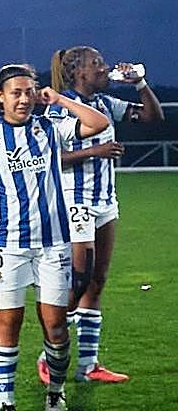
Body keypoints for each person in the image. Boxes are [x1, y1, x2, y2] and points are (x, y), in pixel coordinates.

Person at [0, 63, 111, 411]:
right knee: (8, 321)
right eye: (15, 93)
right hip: (7, 244)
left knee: (55, 326)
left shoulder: (51, 127)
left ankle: (55, 392)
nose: (23, 99)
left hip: (54, 244)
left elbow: (100, 124)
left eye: (28, 92)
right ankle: (5, 403)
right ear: (0, 97)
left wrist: (57, 99)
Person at [31, 46, 164, 386]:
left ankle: (88, 365)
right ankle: (49, 354)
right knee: (78, 281)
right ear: (79, 73)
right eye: (97, 64)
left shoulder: (106, 104)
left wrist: (139, 83)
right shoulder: (58, 108)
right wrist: (96, 150)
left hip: (105, 201)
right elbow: (50, 159)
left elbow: (151, 117)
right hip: (74, 201)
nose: (104, 68)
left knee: (98, 281)